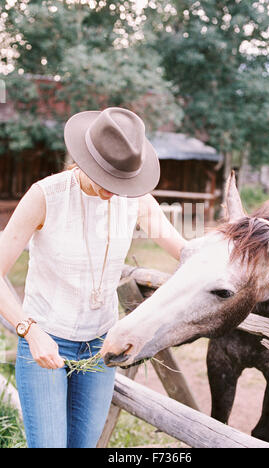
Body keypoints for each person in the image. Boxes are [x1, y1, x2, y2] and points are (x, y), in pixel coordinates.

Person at [0, 107, 187, 448]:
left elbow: (185, 252)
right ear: (84, 161)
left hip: (101, 348)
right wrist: (30, 330)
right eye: (107, 179)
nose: (115, 191)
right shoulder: (46, 196)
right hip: (45, 341)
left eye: (122, 181)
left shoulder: (136, 200)